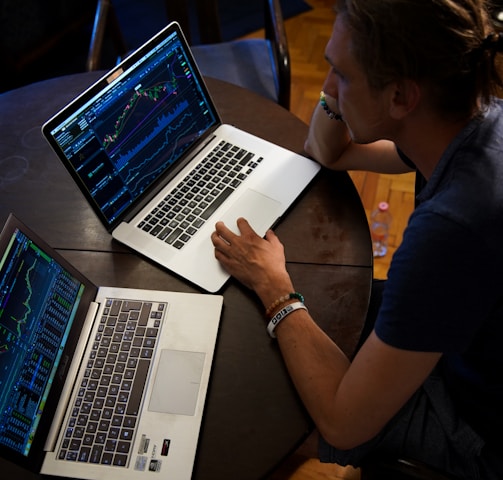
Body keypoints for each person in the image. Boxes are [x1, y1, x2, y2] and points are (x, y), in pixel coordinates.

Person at [211, 0, 503, 478]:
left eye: (341, 76)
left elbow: (345, 424)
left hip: (478, 428)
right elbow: (329, 151)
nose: (325, 88)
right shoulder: (472, 117)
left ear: (401, 98)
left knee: (259, 405)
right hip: (471, 339)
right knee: (319, 303)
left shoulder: (451, 230)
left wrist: (275, 289)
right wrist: (340, 94)